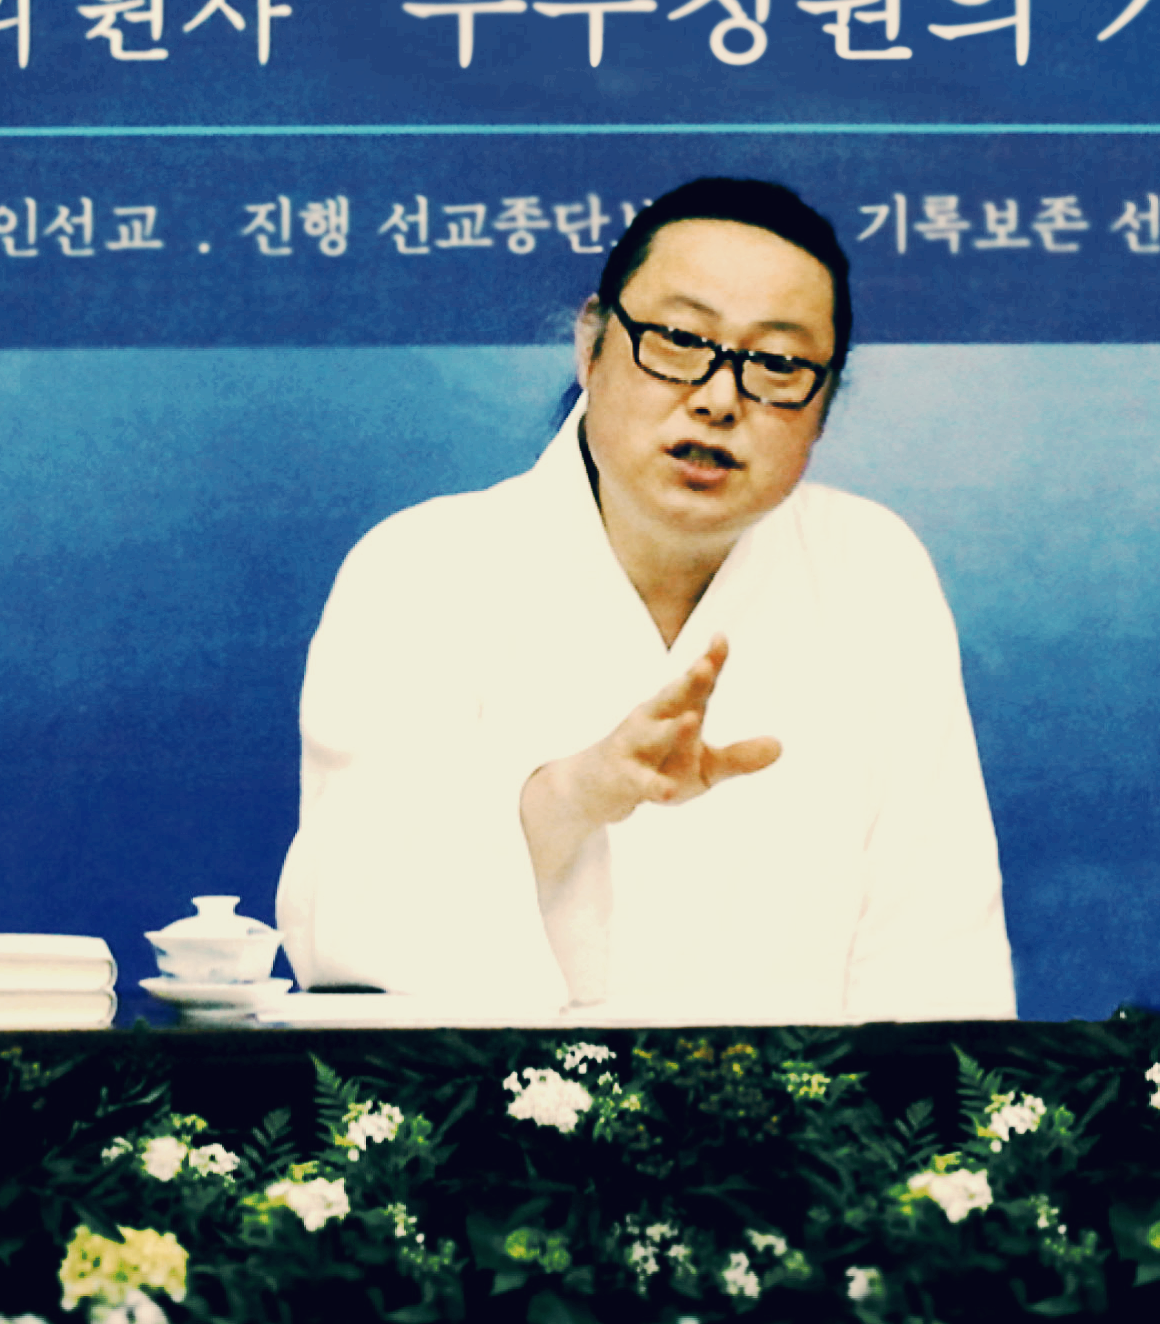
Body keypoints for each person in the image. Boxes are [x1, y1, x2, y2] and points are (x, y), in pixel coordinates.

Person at [275, 177, 1013, 1022]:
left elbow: (936, 950)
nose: (719, 397)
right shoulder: (422, 569)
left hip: (813, 1105)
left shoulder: (872, 570)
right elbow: (344, 929)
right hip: (506, 1104)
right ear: (591, 344)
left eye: (778, 363)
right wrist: (568, 799)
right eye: (680, 339)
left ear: (824, 405)